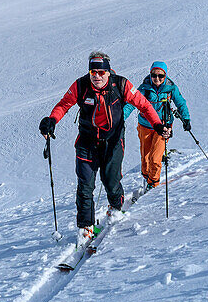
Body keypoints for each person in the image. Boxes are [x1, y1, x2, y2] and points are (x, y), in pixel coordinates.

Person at [39, 51, 163, 242]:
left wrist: (157, 124)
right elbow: (64, 104)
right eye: (93, 72)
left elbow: (144, 105)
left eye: (100, 72)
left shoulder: (121, 84)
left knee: (111, 180)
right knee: (85, 185)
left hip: (113, 141)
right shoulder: (81, 85)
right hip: (87, 142)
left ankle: (115, 207)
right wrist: (51, 120)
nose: (96, 76)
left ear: (107, 72)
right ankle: (85, 227)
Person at [123, 61, 191, 189]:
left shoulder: (171, 88)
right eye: (154, 75)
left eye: (161, 76)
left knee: (155, 158)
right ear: (150, 75)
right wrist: (120, 118)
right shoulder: (144, 88)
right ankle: (146, 176)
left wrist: (186, 119)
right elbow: (131, 103)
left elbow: (181, 103)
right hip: (145, 126)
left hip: (164, 127)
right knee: (145, 157)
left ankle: (153, 184)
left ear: (165, 75)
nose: (157, 78)